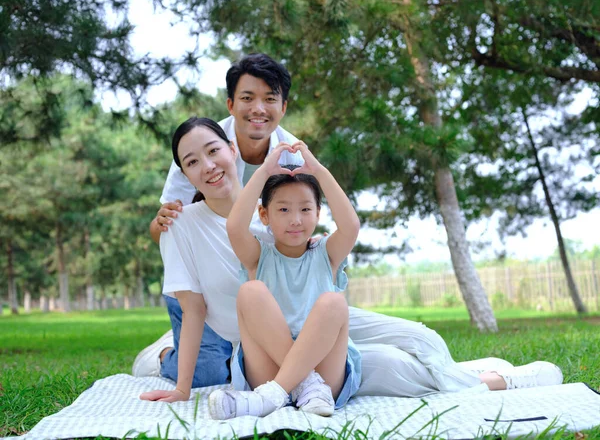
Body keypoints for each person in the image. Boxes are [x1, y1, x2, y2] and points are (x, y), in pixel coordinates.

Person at [135, 54, 563, 400]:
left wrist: (313, 238)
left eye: (270, 99)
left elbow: (319, 214)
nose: (258, 109)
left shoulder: (287, 160)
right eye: (247, 98)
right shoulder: (199, 165)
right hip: (256, 324)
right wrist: (162, 225)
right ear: (230, 106)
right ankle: (164, 355)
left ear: (283, 107)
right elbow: (183, 234)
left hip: (309, 303)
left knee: (419, 339)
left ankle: (480, 374)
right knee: (391, 369)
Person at [207, 142, 361, 419]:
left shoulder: (327, 254)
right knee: (250, 291)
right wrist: (265, 170)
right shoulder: (258, 257)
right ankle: (299, 386)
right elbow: (234, 226)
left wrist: (319, 172)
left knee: (333, 302)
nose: (295, 220)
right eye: (283, 210)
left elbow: (350, 226)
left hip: (325, 371)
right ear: (264, 214)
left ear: (317, 214)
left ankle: (271, 397)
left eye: (305, 210)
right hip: (268, 368)